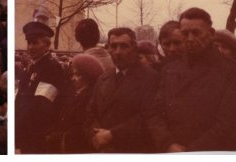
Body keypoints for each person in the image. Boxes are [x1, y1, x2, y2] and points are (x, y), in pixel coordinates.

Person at [148, 8, 236, 152]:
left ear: (211, 34)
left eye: (196, 33)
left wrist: (190, 153)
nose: (189, 38)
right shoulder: (170, 69)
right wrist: (168, 144)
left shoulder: (230, 71)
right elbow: (155, 113)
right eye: (185, 33)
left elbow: (226, 124)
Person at [84, 27, 159, 153]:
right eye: (114, 46)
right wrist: (95, 136)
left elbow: (148, 118)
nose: (118, 52)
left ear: (134, 49)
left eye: (124, 46)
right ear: (108, 49)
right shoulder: (103, 78)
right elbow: (89, 113)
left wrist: (112, 135)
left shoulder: (151, 78)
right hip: (102, 149)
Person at [15, 21, 65, 154]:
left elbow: (43, 106)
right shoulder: (34, 66)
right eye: (29, 43)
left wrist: (21, 133)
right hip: (26, 133)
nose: (30, 47)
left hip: (36, 136)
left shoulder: (51, 68)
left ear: (47, 45)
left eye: (35, 43)